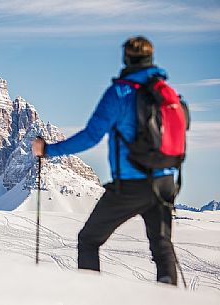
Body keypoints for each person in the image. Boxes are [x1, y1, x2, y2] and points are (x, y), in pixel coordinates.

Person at [32, 36, 179, 285]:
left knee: (88, 240)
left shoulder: (120, 93)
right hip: (164, 182)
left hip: (131, 186)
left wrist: (48, 150)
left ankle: (93, 297)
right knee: (162, 247)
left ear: (127, 58)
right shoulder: (167, 93)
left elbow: (91, 136)